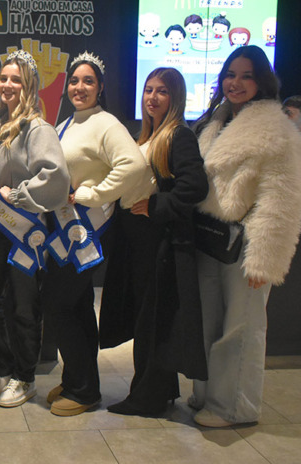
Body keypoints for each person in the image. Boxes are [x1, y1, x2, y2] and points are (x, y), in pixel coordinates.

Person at [191, 45, 301, 427]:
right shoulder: (215, 122)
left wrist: (265, 259)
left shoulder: (277, 130)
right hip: (210, 241)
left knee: (241, 328)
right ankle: (206, 394)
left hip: (246, 246)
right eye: (230, 75)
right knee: (209, 321)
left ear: (262, 81)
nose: (235, 83)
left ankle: (233, 407)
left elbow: (282, 199)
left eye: (246, 76)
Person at [100, 67, 209, 416]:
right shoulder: (142, 137)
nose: (152, 97)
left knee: (153, 323)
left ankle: (147, 397)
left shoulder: (179, 136)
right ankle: (158, 390)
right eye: (149, 89)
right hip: (137, 244)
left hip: (159, 245)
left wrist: (158, 205)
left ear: (175, 97)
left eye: (162, 91)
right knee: (148, 321)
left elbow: (195, 187)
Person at [43, 52, 146, 416]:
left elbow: (133, 164)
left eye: (88, 81)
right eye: (74, 81)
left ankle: (83, 390)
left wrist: (92, 194)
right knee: (78, 307)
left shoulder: (106, 124)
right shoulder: (67, 123)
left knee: (59, 307)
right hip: (65, 229)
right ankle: (80, 378)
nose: (79, 87)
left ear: (100, 87)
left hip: (88, 231)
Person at [0, 50, 69, 407]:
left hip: (28, 233)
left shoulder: (38, 128)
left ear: (29, 85)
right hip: (0, 230)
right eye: (4, 78)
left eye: (16, 79)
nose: (8, 85)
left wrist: (18, 195)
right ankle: (2, 370)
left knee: (22, 308)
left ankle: (25, 377)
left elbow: (56, 176)